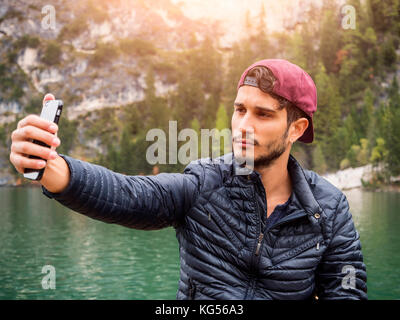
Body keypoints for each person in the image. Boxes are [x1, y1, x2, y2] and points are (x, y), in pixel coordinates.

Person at [9, 59, 367, 300]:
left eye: (263, 114)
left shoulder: (330, 209)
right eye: (239, 110)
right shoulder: (203, 184)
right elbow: (130, 195)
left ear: (296, 128)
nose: (244, 125)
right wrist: (53, 169)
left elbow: (347, 291)